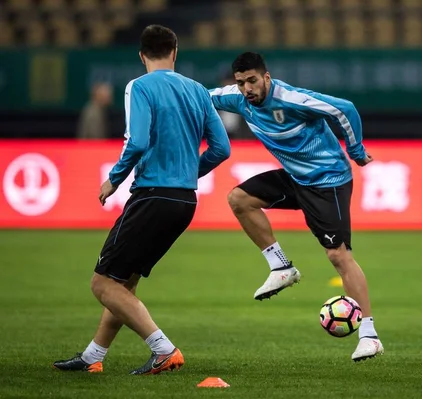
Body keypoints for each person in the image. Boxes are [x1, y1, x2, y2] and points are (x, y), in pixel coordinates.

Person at [53, 25, 230, 375]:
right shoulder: (198, 90)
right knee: (124, 283)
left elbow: (136, 142)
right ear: (175, 52)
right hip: (184, 201)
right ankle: (93, 356)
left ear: (141, 54)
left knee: (102, 283)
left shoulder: (140, 86)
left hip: (152, 195)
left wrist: (113, 179)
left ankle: (163, 349)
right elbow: (222, 148)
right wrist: (189, 172)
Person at [210, 52, 383, 362]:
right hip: (295, 179)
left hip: (328, 180)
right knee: (239, 199)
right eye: (240, 83)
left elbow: (345, 109)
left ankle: (369, 335)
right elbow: (198, 97)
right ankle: (281, 266)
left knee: (338, 255)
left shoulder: (291, 98)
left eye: (252, 80)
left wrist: (356, 150)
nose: (247, 89)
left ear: (266, 77)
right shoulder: (237, 99)